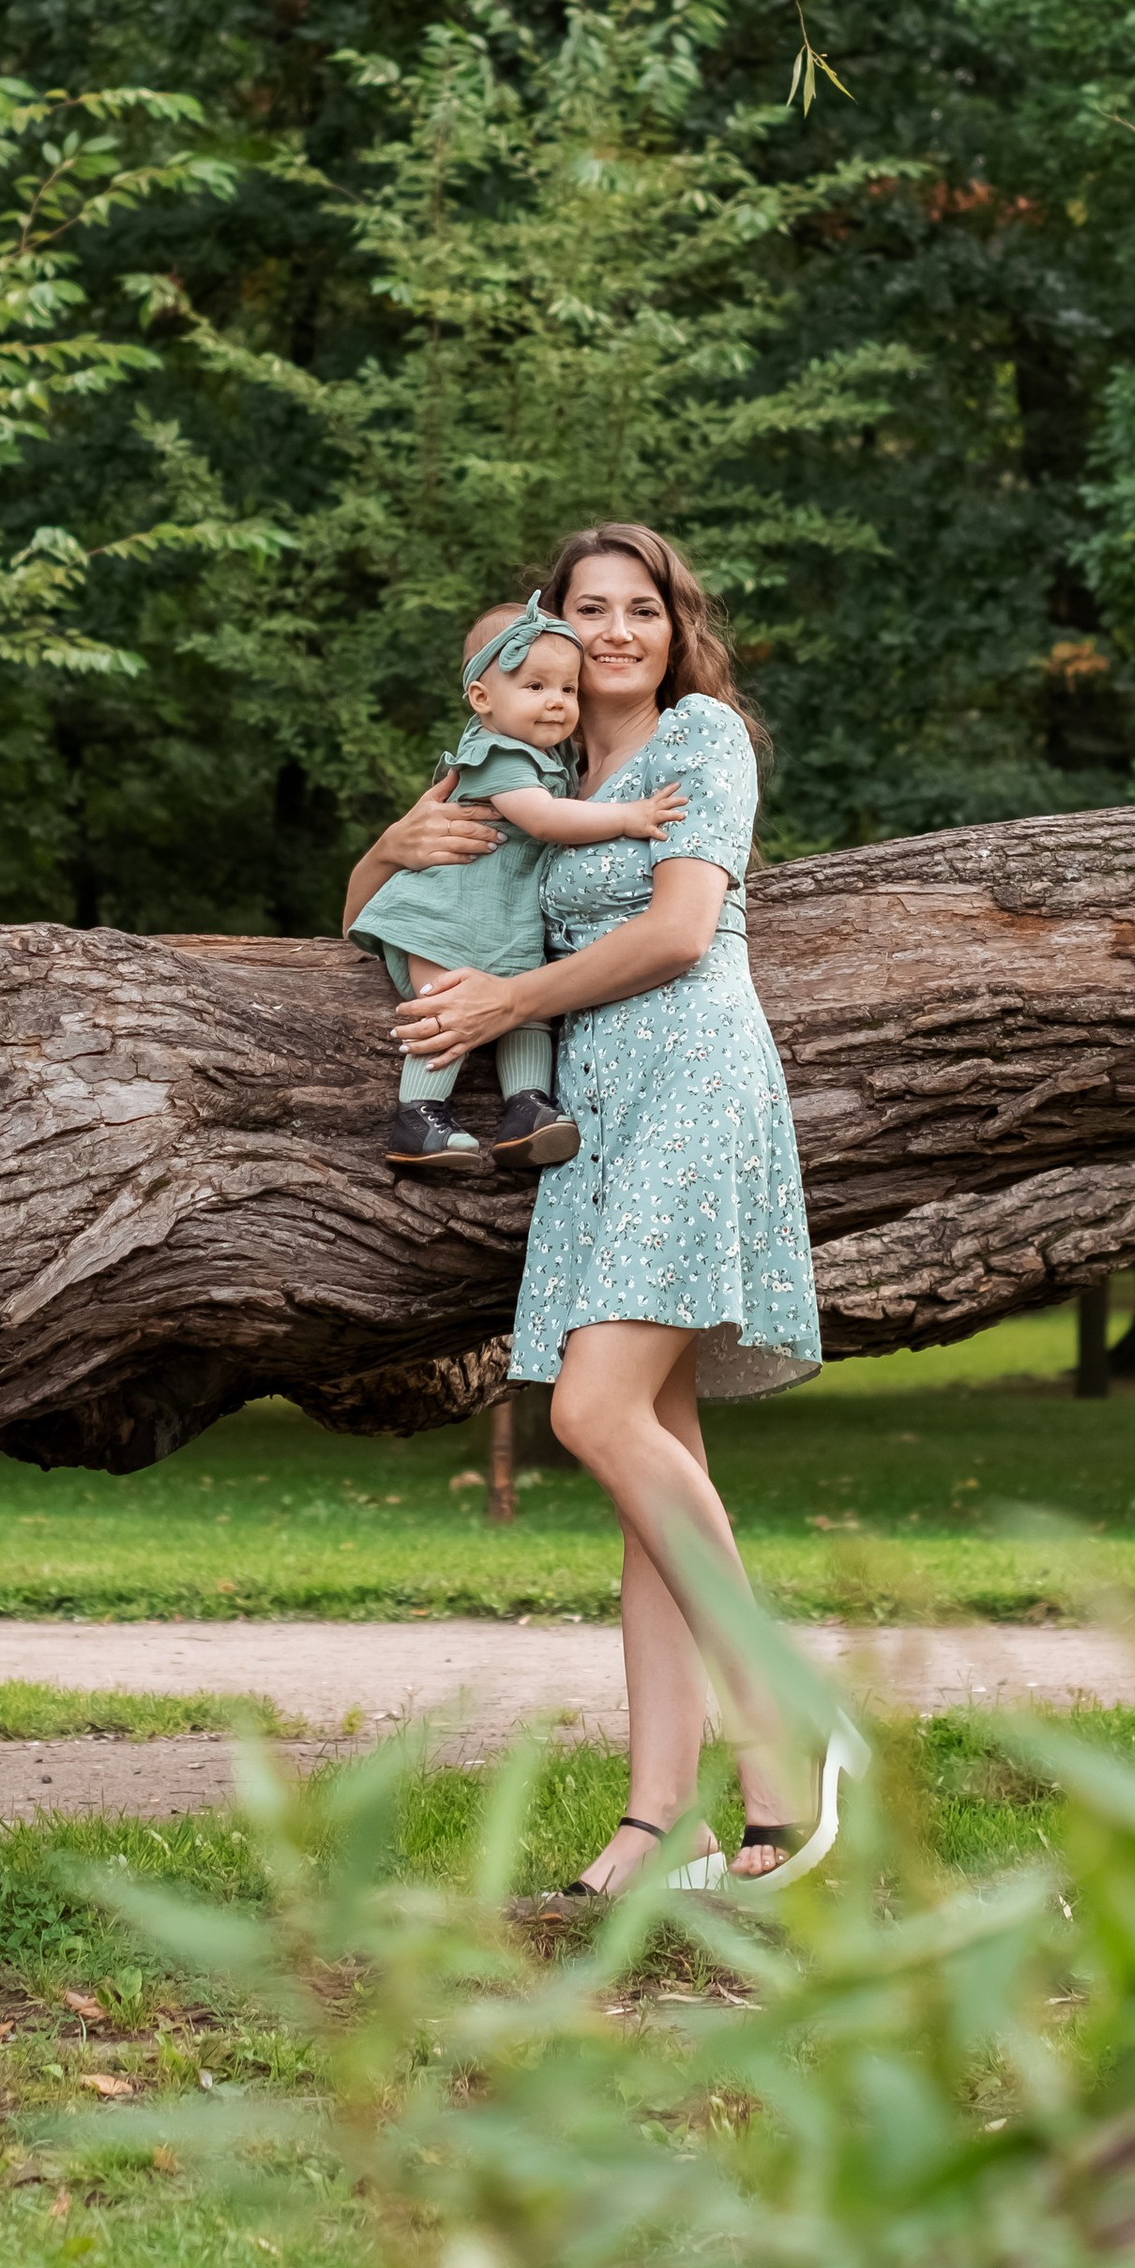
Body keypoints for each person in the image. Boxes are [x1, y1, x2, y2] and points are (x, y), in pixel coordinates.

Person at [343, 522, 857, 1897]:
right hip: (590, 1112)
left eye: (644, 607)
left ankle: (785, 1724)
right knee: (650, 1465)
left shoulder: (706, 741)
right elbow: (389, 905)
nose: (619, 631)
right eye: (593, 608)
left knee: (594, 1413)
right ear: (549, 626)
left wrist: (507, 1001)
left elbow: (684, 929)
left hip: (690, 1070)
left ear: (676, 626)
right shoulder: (537, 750)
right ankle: (660, 1815)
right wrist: (387, 841)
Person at [346, 591, 688, 1176]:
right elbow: (543, 820)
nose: (556, 703)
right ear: (482, 698)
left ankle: (526, 1111)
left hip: (502, 919)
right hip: (445, 913)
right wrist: (628, 817)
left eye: (567, 689)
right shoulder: (498, 753)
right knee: (447, 1008)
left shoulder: (552, 759)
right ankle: (418, 1115)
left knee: (526, 1015)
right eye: (535, 687)